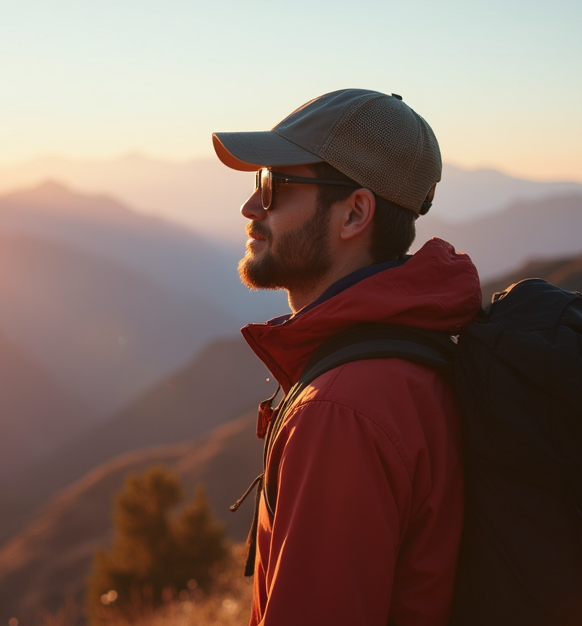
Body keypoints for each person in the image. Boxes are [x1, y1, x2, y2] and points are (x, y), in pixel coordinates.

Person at [212, 89, 482, 625]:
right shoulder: (416, 353)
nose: (249, 207)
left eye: (272, 185)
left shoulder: (342, 410)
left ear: (355, 213)